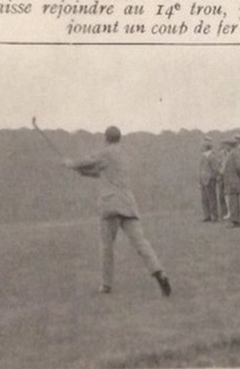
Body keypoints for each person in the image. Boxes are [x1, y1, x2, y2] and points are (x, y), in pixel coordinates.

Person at [65, 127, 171, 297]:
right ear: (119, 138)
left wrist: (71, 164)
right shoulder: (122, 156)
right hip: (128, 205)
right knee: (141, 243)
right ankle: (159, 273)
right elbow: (100, 172)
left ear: (106, 138)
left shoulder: (106, 153)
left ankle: (106, 285)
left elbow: (88, 161)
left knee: (107, 247)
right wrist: (82, 173)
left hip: (111, 206)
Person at [198, 138, 219, 221]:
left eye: (202, 146)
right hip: (204, 180)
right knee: (204, 199)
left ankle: (214, 216)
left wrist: (213, 177)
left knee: (212, 198)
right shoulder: (203, 157)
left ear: (206, 147)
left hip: (210, 180)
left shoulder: (212, 157)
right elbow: (200, 170)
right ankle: (207, 216)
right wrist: (200, 181)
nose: (201, 147)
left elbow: (215, 169)